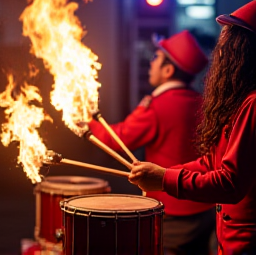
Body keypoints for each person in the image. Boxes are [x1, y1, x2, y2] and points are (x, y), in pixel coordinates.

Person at [128, 0, 256, 255]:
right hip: (213, 223)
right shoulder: (240, 99)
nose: (219, 51)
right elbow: (212, 163)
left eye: (227, 42)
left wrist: (164, 178)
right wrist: (163, 173)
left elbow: (231, 181)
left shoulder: (253, 103)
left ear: (243, 50)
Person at [87, 30, 215, 255]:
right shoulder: (202, 102)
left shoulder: (157, 106)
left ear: (168, 70)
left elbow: (116, 140)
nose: (151, 62)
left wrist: (85, 120)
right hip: (205, 206)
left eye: (156, 57)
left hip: (173, 209)